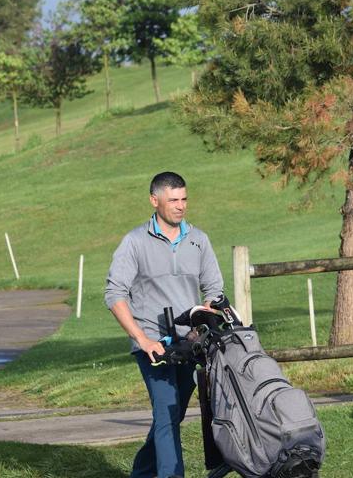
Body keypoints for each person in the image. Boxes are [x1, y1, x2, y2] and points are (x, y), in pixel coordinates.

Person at [105, 172, 224, 478]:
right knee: (167, 410)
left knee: (171, 415)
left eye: (184, 199)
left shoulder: (199, 240)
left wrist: (207, 312)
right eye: (173, 200)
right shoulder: (134, 242)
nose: (180, 206)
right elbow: (114, 293)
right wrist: (143, 340)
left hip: (190, 344)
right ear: (154, 200)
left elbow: (214, 289)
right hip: (153, 345)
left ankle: (142, 472)